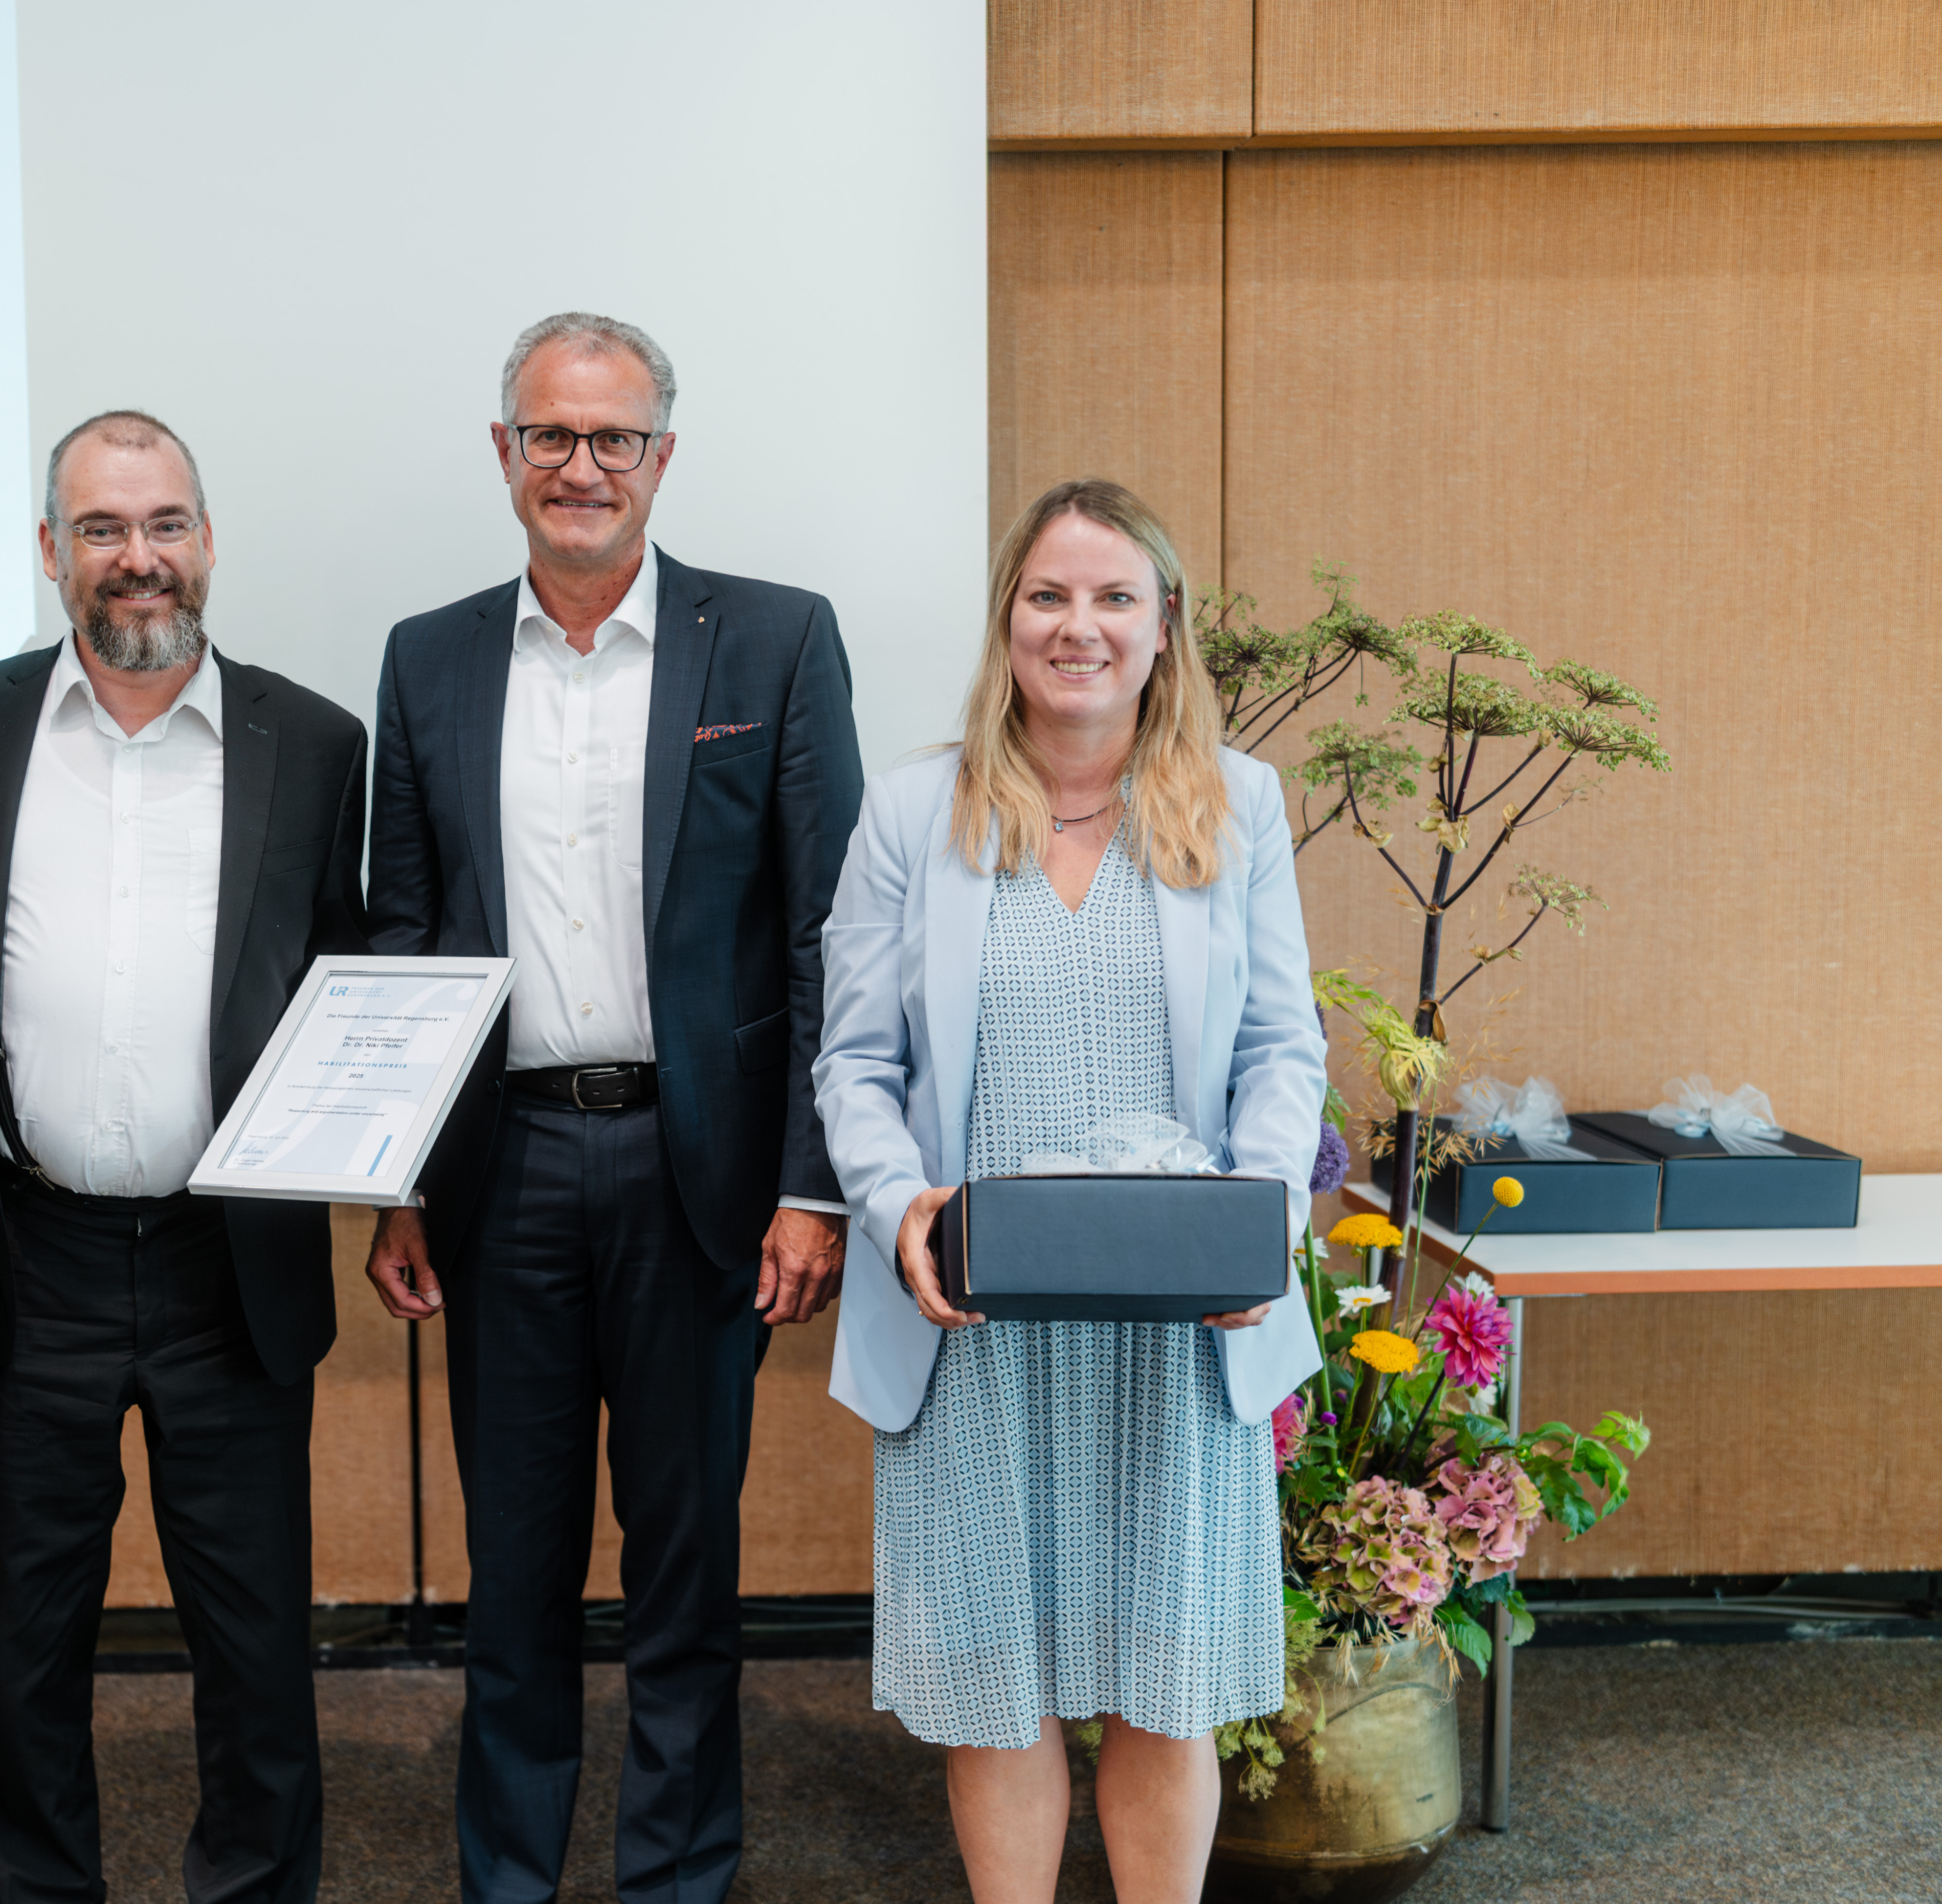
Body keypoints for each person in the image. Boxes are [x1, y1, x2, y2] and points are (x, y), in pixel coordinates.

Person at [361, 312, 864, 1904]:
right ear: (503, 454)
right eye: (551, 436)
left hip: (697, 1178)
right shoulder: (426, 658)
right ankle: (508, 1882)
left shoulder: (774, 641)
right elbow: (402, 936)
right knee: (511, 1581)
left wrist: (815, 1184)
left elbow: (827, 935)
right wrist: (393, 1181)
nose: (583, 466)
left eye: (615, 437)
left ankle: (675, 1884)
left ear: (664, 455)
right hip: (499, 1176)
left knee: (683, 1577)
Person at [811, 477, 1327, 1902]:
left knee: (1168, 1690)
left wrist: (1267, 1222)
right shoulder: (918, 809)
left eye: (1114, 598)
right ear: (1007, 621)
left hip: (1185, 1328)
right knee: (997, 1682)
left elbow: (1288, 1046)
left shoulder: (1241, 806)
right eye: (1049, 595)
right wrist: (895, 1201)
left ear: (1167, 628)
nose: (1079, 625)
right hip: (976, 1320)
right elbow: (854, 1058)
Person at [0, 410, 365, 1904]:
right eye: (101, 531)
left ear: (209, 541)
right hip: (28, 1252)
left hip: (232, 1255)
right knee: (27, 1636)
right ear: (53, 555)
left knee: (254, 1638)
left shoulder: (315, 743)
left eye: (164, 523)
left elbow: (356, 980)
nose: (137, 559)